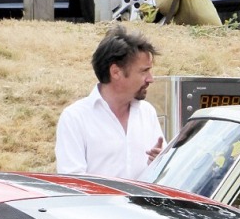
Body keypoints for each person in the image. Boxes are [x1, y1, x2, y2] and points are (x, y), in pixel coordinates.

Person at [55, 24, 165, 179]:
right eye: (144, 71)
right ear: (116, 72)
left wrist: (160, 163)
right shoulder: (75, 117)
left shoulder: (147, 112)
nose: (151, 79)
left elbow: (162, 178)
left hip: (142, 203)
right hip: (97, 203)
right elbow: (74, 183)